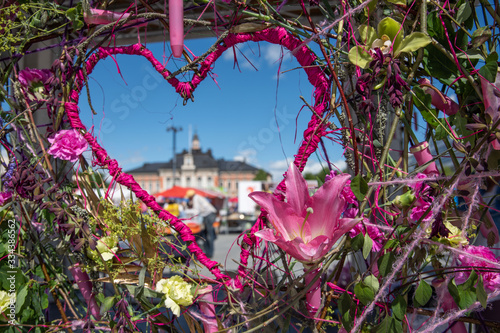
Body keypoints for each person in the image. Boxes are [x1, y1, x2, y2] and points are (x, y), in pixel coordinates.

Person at [185, 189, 217, 257]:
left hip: (209, 215)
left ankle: (209, 253)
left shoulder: (196, 198)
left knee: (208, 235)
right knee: (206, 234)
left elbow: (197, 211)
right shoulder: (197, 197)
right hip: (208, 215)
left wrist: (193, 220)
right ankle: (208, 252)